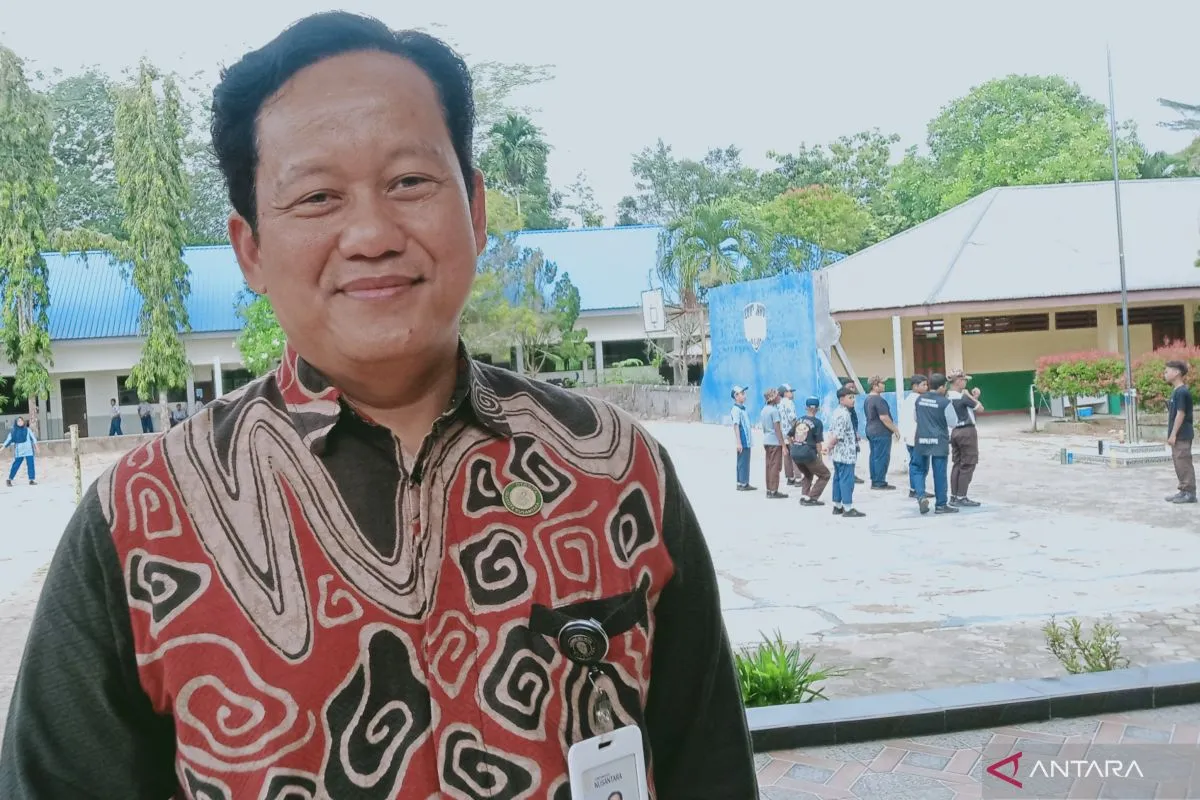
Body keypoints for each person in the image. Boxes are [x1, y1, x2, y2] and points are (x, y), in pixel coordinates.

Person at [0, 13, 756, 799]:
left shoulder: (617, 469)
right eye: (317, 196)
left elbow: (711, 773)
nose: (371, 234)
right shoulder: (141, 518)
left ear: (475, 209)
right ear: (250, 249)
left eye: (409, 183)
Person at [912, 373, 960, 515]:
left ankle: (921, 496)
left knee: (918, 469)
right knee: (939, 473)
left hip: (921, 439)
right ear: (941, 387)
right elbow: (953, 422)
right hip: (939, 441)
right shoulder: (945, 402)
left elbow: (916, 418)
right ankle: (941, 505)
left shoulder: (919, 399)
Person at [947, 370, 984, 507]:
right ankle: (962, 496)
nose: (966, 382)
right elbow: (980, 408)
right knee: (968, 464)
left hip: (954, 431)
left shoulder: (947, 396)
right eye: (964, 380)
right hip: (967, 432)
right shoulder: (962, 397)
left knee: (957, 463)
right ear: (958, 381)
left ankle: (954, 496)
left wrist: (972, 397)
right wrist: (972, 397)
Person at [827, 387, 864, 517]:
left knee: (838, 479)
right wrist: (828, 447)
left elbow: (832, 431)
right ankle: (848, 508)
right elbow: (838, 435)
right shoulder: (844, 414)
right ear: (842, 399)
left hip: (838, 453)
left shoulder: (836, 412)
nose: (853, 400)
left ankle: (837, 506)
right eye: (850, 397)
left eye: (853, 397)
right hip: (846, 454)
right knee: (847, 480)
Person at [1164, 360, 1196, 504]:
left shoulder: (1182, 392)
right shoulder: (1176, 391)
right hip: (1178, 435)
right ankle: (1183, 490)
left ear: (1176, 372)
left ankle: (1189, 493)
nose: (1165, 374)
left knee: (1183, 462)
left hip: (1182, 434)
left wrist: (1173, 434)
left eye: (1167, 371)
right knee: (1178, 462)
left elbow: (1181, 413)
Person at [790, 396, 830, 506]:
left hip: (795, 453)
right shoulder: (818, 423)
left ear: (806, 408)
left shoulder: (799, 420)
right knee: (825, 474)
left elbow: (789, 435)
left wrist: (794, 445)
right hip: (808, 454)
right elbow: (818, 443)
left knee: (808, 473)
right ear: (818, 409)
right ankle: (812, 498)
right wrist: (820, 458)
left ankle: (804, 496)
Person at [864, 376, 899, 490]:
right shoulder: (879, 400)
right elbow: (884, 417)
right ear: (875, 386)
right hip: (880, 431)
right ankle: (879, 482)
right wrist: (895, 429)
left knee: (874, 456)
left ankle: (875, 480)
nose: (884, 385)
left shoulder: (868, 399)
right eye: (882, 383)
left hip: (871, 430)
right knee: (882, 457)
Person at [899, 375, 928, 498]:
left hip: (910, 437)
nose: (926, 387)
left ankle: (914, 488)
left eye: (926, 385)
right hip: (917, 437)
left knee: (914, 464)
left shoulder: (909, 399)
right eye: (923, 385)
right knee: (920, 466)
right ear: (915, 386)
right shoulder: (919, 400)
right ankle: (918, 490)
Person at [760, 387, 788, 499]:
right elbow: (777, 429)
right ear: (773, 398)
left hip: (766, 440)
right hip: (775, 442)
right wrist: (783, 445)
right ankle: (774, 491)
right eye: (777, 395)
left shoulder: (764, 410)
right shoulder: (774, 411)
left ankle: (769, 489)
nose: (779, 397)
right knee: (775, 466)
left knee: (769, 466)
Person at [840, 378, 865, 484]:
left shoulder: (851, 404)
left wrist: (856, 431)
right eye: (850, 387)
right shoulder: (844, 407)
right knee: (849, 454)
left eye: (853, 387)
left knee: (853, 453)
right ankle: (848, 475)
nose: (852, 389)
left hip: (853, 433)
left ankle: (850, 474)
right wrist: (854, 432)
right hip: (848, 435)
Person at [731, 384, 755, 491]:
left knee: (745, 461)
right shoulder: (736, 410)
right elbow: (736, 425)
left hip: (747, 440)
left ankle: (743, 482)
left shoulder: (742, 409)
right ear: (736, 396)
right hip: (743, 439)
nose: (745, 396)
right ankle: (742, 483)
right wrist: (739, 442)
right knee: (742, 462)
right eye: (742, 393)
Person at [3, 417, 38, 487]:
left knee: (31, 465)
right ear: (16, 423)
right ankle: (9, 479)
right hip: (19, 452)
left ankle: (31, 480)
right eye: (18, 421)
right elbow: (8, 440)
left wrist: (36, 447)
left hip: (29, 451)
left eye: (21, 421)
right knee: (16, 465)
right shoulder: (13, 432)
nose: (20, 422)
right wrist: (2, 448)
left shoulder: (27, 430)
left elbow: (33, 439)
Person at [777, 383, 798, 486]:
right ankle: (798, 478)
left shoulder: (779, 404)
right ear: (785, 393)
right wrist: (797, 431)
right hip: (791, 433)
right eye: (790, 391)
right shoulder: (789, 402)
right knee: (796, 455)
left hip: (783, 434)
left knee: (787, 456)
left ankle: (790, 478)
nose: (792, 393)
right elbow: (792, 418)